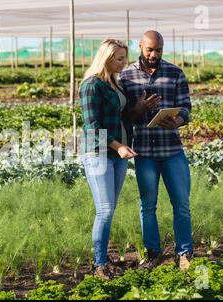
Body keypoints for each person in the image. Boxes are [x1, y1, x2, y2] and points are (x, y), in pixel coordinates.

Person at [79, 38, 161, 280]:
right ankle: (99, 264)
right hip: (100, 155)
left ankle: (103, 259)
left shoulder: (115, 84)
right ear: (107, 58)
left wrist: (142, 108)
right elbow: (92, 127)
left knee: (109, 209)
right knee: (104, 209)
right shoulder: (91, 85)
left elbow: (124, 117)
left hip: (118, 155)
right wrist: (119, 146)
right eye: (120, 59)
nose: (124, 63)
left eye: (125, 58)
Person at [119, 30, 193, 271]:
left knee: (181, 203)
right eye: (149, 49)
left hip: (172, 150)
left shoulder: (175, 73)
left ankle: (185, 253)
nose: (154, 54)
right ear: (140, 46)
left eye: (158, 50)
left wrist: (178, 120)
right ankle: (153, 254)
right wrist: (139, 108)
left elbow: (186, 109)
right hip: (144, 153)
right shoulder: (126, 76)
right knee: (147, 205)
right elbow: (125, 116)